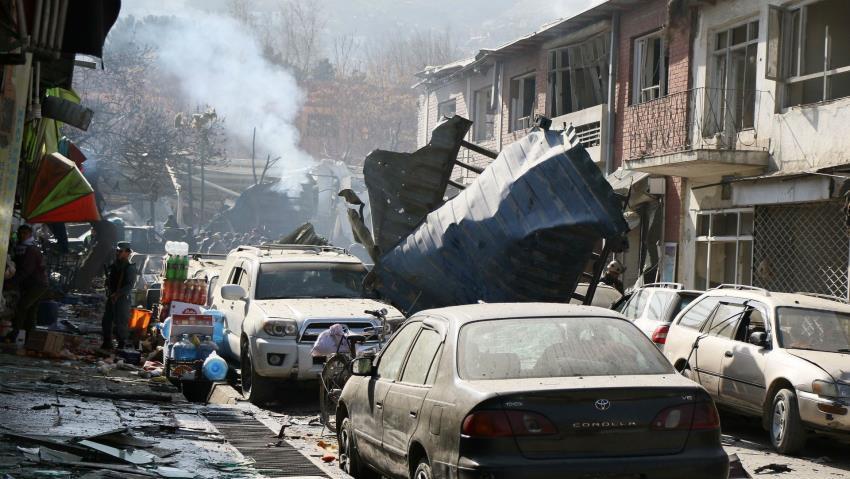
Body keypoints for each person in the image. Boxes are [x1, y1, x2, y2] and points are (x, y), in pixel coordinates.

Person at [6, 225, 49, 342]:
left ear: (30, 235)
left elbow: (26, 270)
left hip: (37, 285)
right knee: (30, 311)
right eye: (20, 233)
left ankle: (13, 334)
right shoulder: (22, 248)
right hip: (36, 284)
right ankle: (30, 339)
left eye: (25, 233)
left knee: (22, 307)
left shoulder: (30, 249)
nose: (22, 235)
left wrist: (10, 283)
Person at [101, 242, 137, 351]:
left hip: (122, 299)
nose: (117, 253)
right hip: (112, 297)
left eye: (120, 251)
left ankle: (121, 345)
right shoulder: (114, 265)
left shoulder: (130, 268)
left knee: (121, 323)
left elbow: (129, 286)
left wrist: (117, 294)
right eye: (117, 251)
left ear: (127, 253)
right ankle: (107, 343)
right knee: (106, 321)